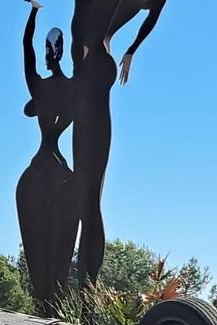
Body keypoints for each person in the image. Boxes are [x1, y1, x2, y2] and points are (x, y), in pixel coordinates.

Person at [71, 0, 167, 283]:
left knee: (89, 197)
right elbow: (151, 18)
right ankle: (86, 293)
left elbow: (149, 18)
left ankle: (87, 293)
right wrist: (131, 50)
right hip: (93, 68)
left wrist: (132, 50)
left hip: (94, 68)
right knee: (86, 195)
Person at [17, 0, 79, 310]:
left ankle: (46, 299)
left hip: (41, 164)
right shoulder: (73, 89)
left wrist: (34, 12)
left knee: (41, 242)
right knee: (57, 241)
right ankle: (51, 300)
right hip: (58, 165)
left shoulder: (39, 87)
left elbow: (25, 44)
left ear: (48, 53)